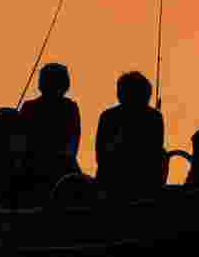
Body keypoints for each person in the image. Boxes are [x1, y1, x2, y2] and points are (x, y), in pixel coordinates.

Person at [95, 71, 165, 199]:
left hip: (109, 185)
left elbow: (100, 156)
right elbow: (155, 152)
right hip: (144, 185)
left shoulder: (108, 116)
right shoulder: (155, 117)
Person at [19, 63, 82, 194]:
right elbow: (73, 142)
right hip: (58, 166)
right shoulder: (70, 108)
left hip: (34, 165)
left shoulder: (28, 107)